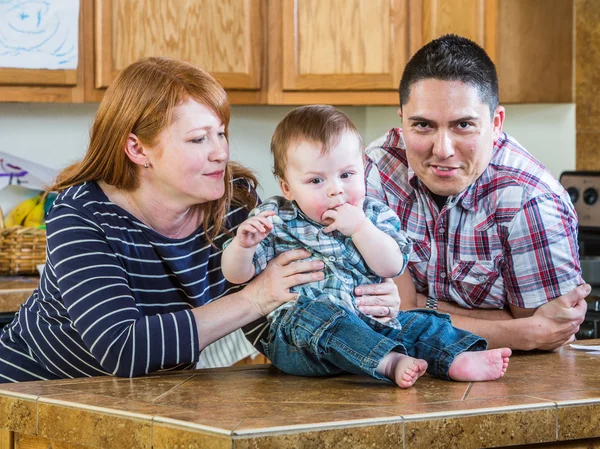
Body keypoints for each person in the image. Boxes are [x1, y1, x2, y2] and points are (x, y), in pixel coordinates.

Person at [0, 58, 398, 383]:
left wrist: (360, 300)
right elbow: (123, 347)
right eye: (198, 139)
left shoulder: (237, 203)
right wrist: (256, 296)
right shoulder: (82, 212)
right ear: (138, 149)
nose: (220, 153)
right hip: (33, 393)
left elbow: (273, 314)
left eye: (221, 134)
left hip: (149, 398)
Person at [222, 105, 511, 388]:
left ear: (363, 169)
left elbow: (392, 265)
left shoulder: (373, 215)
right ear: (288, 188)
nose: (336, 189)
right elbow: (237, 276)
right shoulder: (275, 218)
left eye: (347, 175)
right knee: (314, 314)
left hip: (371, 322)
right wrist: (243, 246)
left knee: (418, 322)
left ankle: (456, 358)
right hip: (302, 340)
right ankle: (388, 362)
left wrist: (361, 229)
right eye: (316, 180)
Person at [365, 34, 589, 351]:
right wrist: (517, 330)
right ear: (402, 122)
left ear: (496, 123)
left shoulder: (531, 199)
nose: (442, 150)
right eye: (423, 125)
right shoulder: (375, 172)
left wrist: (417, 306)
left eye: (463, 125)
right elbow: (376, 315)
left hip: (509, 386)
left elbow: (547, 339)